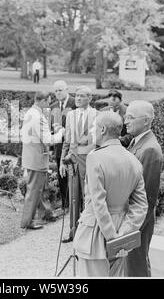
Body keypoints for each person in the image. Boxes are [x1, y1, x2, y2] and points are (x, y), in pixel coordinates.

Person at [73, 111, 148, 277]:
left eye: (93, 127)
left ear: (103, 130)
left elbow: (98, 203)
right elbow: (141, 205)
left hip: (96, 234)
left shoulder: (95, 157)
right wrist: (123, 234)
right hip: (121, 232)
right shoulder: (133, 160)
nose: (91, 131)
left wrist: (111, 237)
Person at [124, 100, 164, 277]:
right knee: (131, 265)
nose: (125, 121)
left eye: (131, 117)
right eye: (126, 116)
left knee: (136, 266)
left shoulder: (150, 150)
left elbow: (146, 198)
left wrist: (132, 228)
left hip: (138, 222)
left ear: (146, 121)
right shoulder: (137, 142)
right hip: (133, 219)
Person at [20, 91, 65, 230]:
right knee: (34, 190)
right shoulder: (38, 117)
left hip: (31, 156)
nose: (49, 105)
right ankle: (27, 222)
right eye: (48, 102)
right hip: (37, 158)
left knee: (38, 189)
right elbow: (48, 140)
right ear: (43, 100)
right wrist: (61, 133)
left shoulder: (30, 112)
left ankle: (46, 213)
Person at [60, 86, 97, 243]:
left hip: (89, 160)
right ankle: (73, 231)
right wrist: (62, 160)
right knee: (73, 196)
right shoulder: (70, 115)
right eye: (77, 96)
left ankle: (88, 233)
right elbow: (67, 140)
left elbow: (97, 140)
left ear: (90, 98)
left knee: (87, 196)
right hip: (73, 160)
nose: (78, 98)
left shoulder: (96, 114)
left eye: (82, 96)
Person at [50, 80, 76, 209]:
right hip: (59, 146)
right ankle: (65, 205)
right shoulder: (53, 105)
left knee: (74, 175)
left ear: (67, 89)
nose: (58, 92)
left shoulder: (75, 103)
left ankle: (76, 204)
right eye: (56, 91)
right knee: (62, 176)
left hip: (73, 146)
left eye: (60, 90)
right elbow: (50, 126)